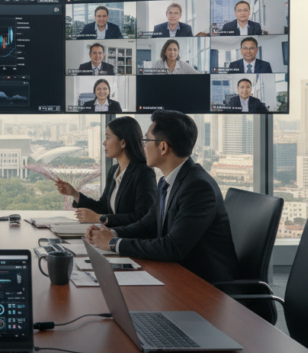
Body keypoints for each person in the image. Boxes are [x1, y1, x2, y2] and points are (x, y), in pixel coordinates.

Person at [85, 110, 239, 285]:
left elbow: (173, 247)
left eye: (146, 141)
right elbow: (148, 224)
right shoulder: (167, 182)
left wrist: (114, 243)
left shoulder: (198, 187)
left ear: (163, 147)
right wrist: (111, 233)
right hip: (174, 274)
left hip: (205, 287)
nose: (143, 146)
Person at [56, 116, 156, 228]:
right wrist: (74, 193)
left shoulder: (144, 173)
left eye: (108, 138)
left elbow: (143, 216)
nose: (104, 143)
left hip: (128, 240)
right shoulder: (114, 170)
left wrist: (99, 218)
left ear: (123, 143)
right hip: (110, 237)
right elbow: (103, 207)